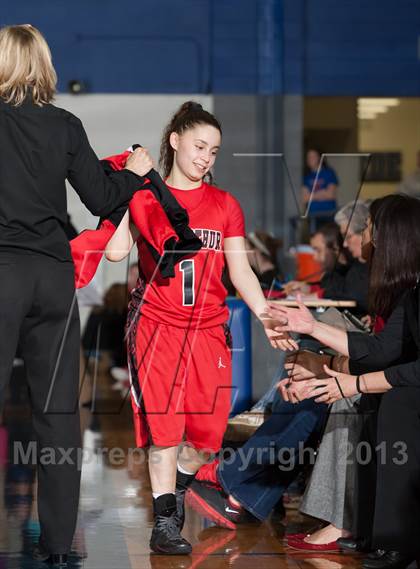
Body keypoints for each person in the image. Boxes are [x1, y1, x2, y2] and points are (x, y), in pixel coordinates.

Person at [104, 101, 293, 555]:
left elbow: (242, 273)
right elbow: (113, 253)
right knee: (165, 430)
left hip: (209, 329)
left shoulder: (224, 204)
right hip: (156, 325)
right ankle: (165, 517)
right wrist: (129, 188)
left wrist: (267, 315)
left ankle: (178, 489)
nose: (206, 157)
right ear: (175, 141)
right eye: (199, 146)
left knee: (206, 436)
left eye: (214, 150)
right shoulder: (146, 196)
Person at [0, 24, 152, 566]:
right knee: (58, 414)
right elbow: (101, 197)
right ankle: (59, 547)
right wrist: (134, 175)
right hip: (53, 277)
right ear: (44, 65)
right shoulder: (65, 124)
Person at [268, 194, 420, 568]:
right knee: (363, 395)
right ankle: (374, 531)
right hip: (394, 374)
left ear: (391, 236)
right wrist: (311, 329)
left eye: (369, 228)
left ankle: (382, 535)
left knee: (391, 401)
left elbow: (398, 364)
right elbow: (382, 349)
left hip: (404, 384)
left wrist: (352, 382)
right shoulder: (409, 290)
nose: (363, 237)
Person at [302, 149, 338, 226]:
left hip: (328, 214)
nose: (310, 159)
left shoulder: (329, 173)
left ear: (319, 157)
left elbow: (330, 195)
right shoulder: (306, 177)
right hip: (313, 217)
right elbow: (305, 198)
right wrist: (323, 193)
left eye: (313, 156)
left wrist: (312, 195)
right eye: (308, 157)